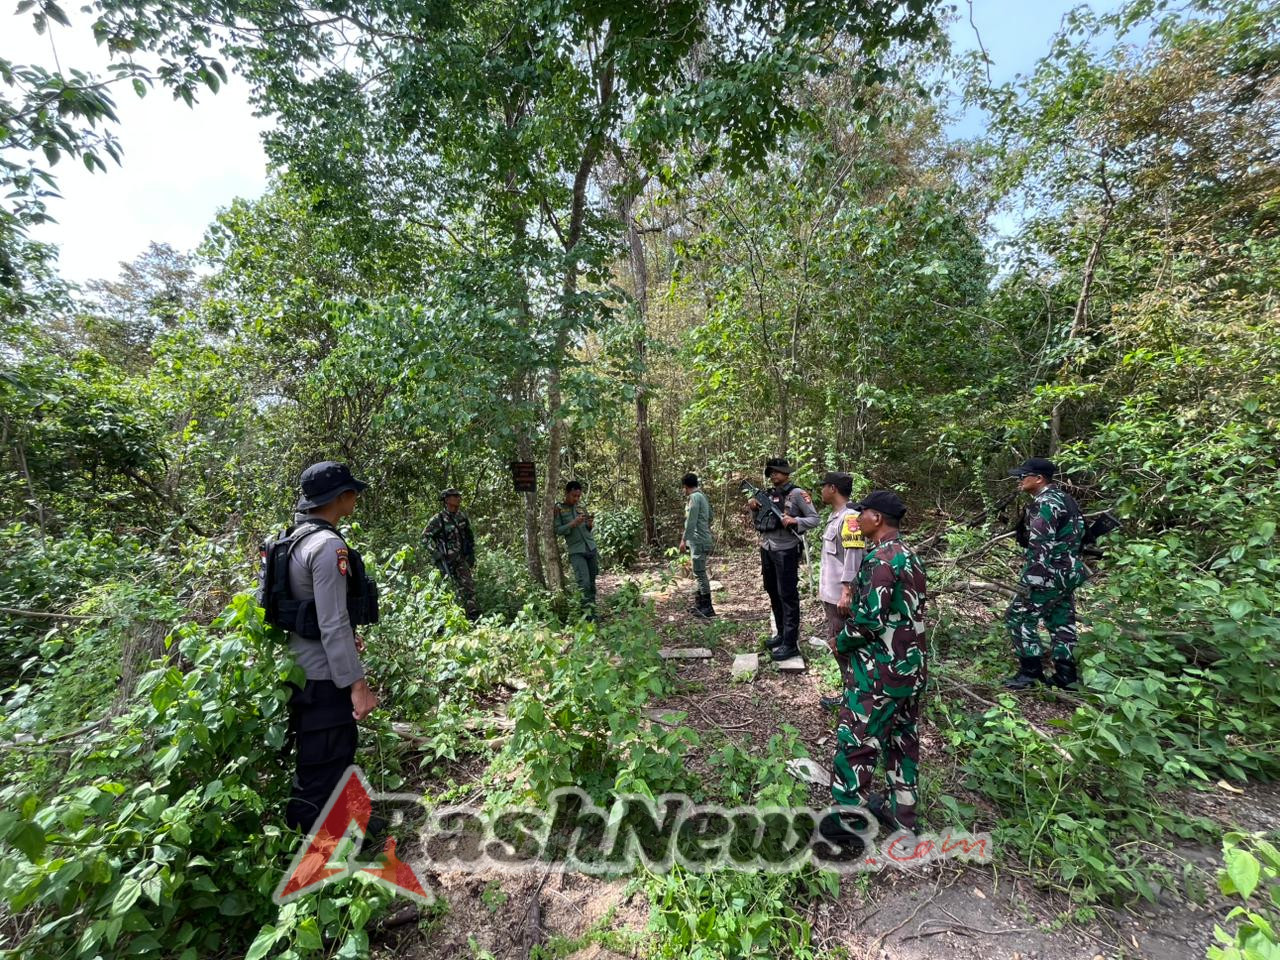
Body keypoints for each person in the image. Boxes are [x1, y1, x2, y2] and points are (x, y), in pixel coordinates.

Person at [822, 490, 927, 849]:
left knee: (856, 744)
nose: (858, 518)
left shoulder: (880, 560)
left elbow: (869, 619)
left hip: (880, 672)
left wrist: (841, 641)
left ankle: (846, 829)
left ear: (877, 519)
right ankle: (903, 818)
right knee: (902, 742)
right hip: (911, 669)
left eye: (862, 512)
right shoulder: (910, 556)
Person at [283, 461, 379, 834]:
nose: (355, 497)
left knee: (330, 757)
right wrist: (357, 685)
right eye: (352, 492)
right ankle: (312, 849)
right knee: (323, 762)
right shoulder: (327, 546)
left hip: (301, 667)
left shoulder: (295, 539)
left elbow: (308, 613)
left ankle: (352, 826)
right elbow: (333, 621)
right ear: (341, 497)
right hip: (323, 678)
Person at [1003, 457, 1087, 690]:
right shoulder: (1066, 500)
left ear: (1039, 479)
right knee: (1061, 619)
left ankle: (1030, 673)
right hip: (1069, 572)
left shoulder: (1045, 504)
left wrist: (1032, 581)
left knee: (1017, 616)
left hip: (1049, 573)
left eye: (1023, 476)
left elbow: (1041, 545)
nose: (1019, 480)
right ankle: (1066, 676)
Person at [748, 458, 820, 661]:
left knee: (787, 595)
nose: (773, 475)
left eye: (777, 471)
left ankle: (790, 642)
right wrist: (754, 508)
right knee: (772, 591)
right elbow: (760, 522)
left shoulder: (797, 494)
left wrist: (795, 520)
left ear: (786, 473)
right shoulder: (767, 495)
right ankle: (780, 634)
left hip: (786, 550)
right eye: (770, 472)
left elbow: (814, 519)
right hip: (768, 548)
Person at [817, 472, 866, 710]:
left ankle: (853, 700)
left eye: (824, 487)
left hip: (841, 598)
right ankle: (851, 695)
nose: (821, 491)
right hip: (832, 595)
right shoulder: (835, 517)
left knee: (844, 647)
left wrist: (847, 592)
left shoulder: (850, 518)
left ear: (833, 488)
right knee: (839, 645)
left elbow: (854, 558)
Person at [423, 487, 479, 621]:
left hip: (460, 560)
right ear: (447, 500)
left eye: (458, 496)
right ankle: (443, 619)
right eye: (455, 496)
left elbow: (469, 537)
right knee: (445, 590)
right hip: (444, 561)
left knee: (468, 587)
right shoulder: (438, 519)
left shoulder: (462, 516)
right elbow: (425, 538)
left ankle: (472, 617)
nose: (458, 498)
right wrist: (435, 553)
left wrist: (471, 554)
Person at [555, 480, 599, 618]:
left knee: (592, 583)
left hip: (590, 548)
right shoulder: (559, 508)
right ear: (566, 493)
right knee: (583, 583)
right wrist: (573, 523)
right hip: (576, 551)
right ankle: (586, 616)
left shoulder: (581, 508)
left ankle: (592, 613)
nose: (576, 499)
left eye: (579, 496)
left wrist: (589, 524)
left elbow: (587, 529)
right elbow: (557, 530)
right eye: (574, 496)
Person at [680, 473, 716, 619]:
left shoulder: (694, 498)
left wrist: (684, 540)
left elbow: (691, 521)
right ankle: (700, 605)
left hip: (698, 540)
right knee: (697, 572)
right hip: (700, 539)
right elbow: (711, 516)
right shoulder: (702, 496)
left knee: (700, 573)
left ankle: (708, 608)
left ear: (685, 486)